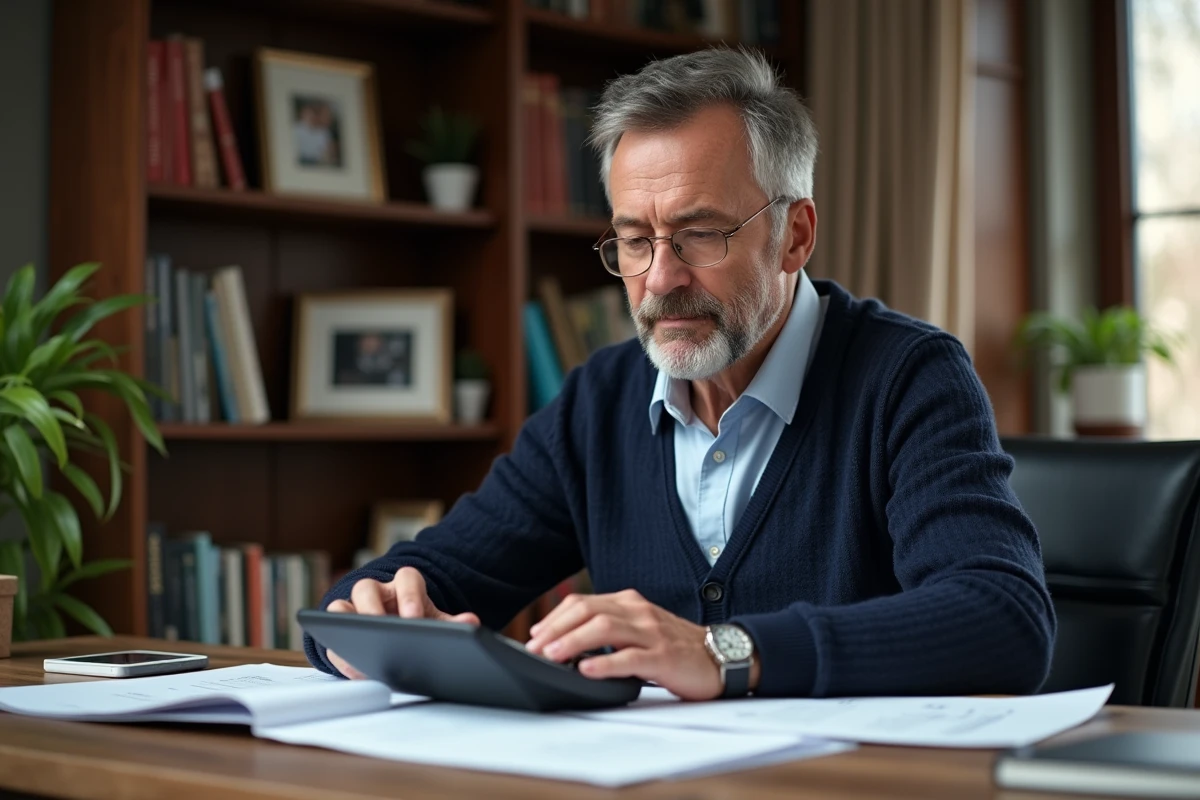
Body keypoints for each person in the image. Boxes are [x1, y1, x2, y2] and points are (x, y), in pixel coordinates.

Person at [305, 47, 1056, 701]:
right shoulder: (599, 401)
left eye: (701, 234)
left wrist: (722, 652)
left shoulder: (908, 378)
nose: (661, 279)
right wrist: (367, 620)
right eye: (634, 241)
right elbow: (413, 581)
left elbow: (1002, 618)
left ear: (794, 236)